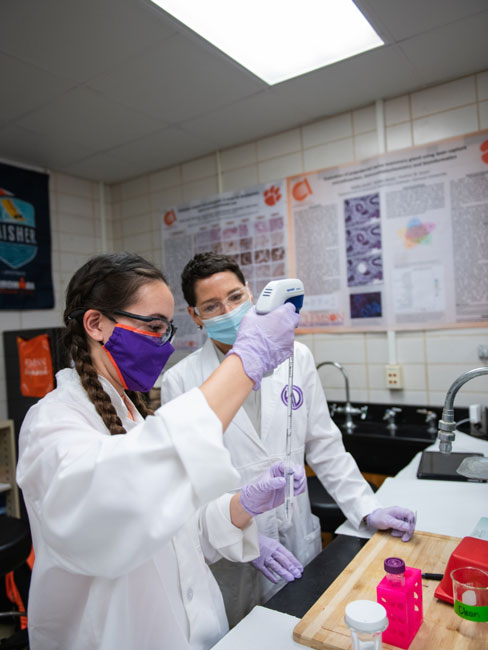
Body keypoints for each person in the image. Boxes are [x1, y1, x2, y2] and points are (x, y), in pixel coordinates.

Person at [16, 252, 303, 650]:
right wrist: (246, 361)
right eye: (152, 326)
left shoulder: (137, 418)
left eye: (165, 329)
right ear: (96, 324)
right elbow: (116, 504)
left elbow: (178, 535)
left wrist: (240, 506)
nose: (162, 343)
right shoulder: (51, 423)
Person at [161, 252, 417, 625]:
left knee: (303, 625)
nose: (229, 310)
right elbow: (188, 487)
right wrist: (245, 538)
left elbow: (324, 445)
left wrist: (365, 507)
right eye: (212, 306)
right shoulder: (180, 381)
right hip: (231, 553)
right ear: (195, 316)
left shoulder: (296, 355)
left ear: (251, 294)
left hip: (296, 532)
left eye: (235, 297)